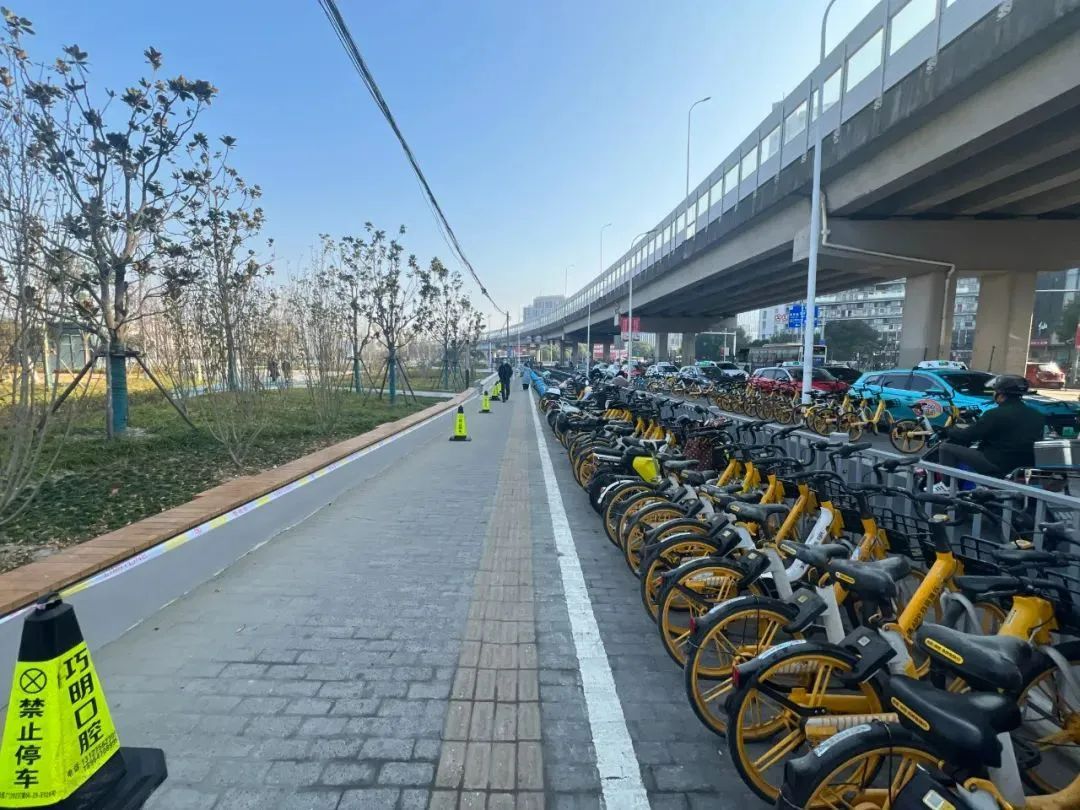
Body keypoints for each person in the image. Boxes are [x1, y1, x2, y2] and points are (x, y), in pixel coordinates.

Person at [933, 374, 1045, 477]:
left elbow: (968, 436)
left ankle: (947, 486)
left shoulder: (994, 414)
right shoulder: (1037, 415)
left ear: (1001, 395)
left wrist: (948, 431)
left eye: (995, 391)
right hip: (1024, 465)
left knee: (945, 448)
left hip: (997, 463)